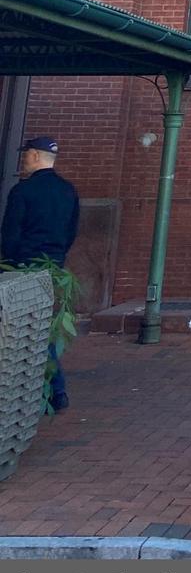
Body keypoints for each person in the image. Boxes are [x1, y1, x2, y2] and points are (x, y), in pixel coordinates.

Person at [0, 135, 79, 412]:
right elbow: (71, 231)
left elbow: (10, 234)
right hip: (55, 268)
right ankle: (54, 391)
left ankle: (54, 391)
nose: (24, 160)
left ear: (34, 156)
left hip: (23, 268)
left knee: (26, 331)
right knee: (46, 328)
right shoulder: (68, 191)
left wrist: (8, 265)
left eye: (26, 155)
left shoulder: (22, 192)